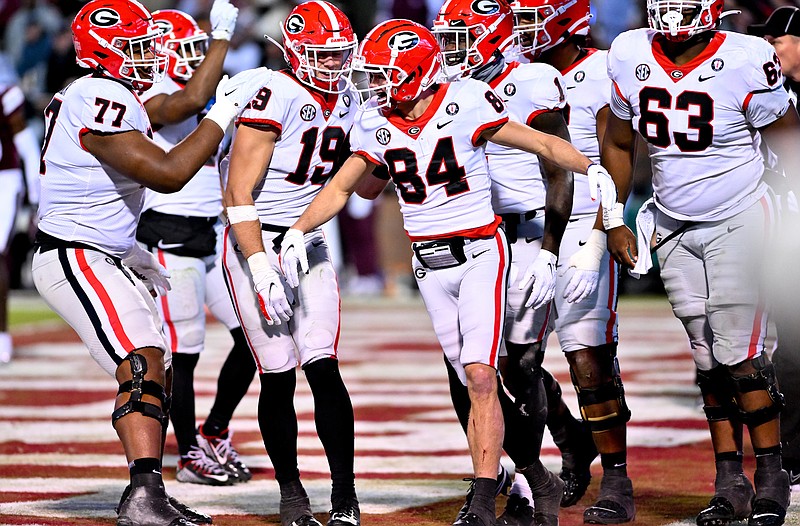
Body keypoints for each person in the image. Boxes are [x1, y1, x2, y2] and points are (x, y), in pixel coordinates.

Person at [277, 18, 617, 526]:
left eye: (381, 73)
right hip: (428, 265)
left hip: (482, 252)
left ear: (413, 73)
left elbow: (542, 144)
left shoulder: (467, 101)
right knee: (468, 378)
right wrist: (299, 229)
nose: (372, 85)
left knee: (483, 374)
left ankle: (482, 500)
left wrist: (593, 170)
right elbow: (346, 186)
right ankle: (536, 479)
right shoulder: (376, 120)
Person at [30, 0, 262, 524]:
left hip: (105, 251)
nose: (149, 55)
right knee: (142, 363)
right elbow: (168, 173)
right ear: (105, 51)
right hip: (73, 254)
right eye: (136, 46)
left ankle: (149, 489)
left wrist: (129, 248)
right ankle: (142, 496)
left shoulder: (112, 93)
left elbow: (173, 117)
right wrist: (223, 113)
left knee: (157, 360)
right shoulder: (97, 95)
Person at [602, 1, 800, 525]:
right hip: (670, 220)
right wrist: (613, 217)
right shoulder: (628, 51)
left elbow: (788, 138)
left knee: (741, 351)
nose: (670, 13)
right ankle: (728, 477)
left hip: (740, 214)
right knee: (706, 354)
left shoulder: (746, 55)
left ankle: (773, 475)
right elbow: (619, 139)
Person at [429, 0, 590, 524]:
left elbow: (557, 167)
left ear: (493, 36)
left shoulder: (534, 79)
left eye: (458, 38)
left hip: (525, 235)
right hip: (472, 241)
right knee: (468, 371)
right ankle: (514, 474)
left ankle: (537, 467)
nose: (448, 50)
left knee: (518, 368)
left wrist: (548, 248)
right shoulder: (446, 88)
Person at [221, 2, 361, 525]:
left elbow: (357, 181)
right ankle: (292, 493)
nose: (335, 64)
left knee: (323, 365)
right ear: (297, 50)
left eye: (341, 53)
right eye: (324, 54)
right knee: (278, 374)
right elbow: (237, 192)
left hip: (310, 240)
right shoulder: (276, 92)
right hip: (252, 239)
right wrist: (259, 265)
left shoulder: (350, 97)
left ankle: (345, 497)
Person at [513, 0, 636, 522]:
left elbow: (618, 156)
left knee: (588, 358)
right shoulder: (511, 73)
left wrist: (603, 226)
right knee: (512, 362)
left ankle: (617, 480)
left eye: (528, 18)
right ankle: (570, 436)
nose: (518, 31)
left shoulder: (601, 70)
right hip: (526, 231)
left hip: (585, 217)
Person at [138, 5, 254, 487]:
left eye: (199, 50)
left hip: (211, 234)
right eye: (187, 50)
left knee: (254, 337)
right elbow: (189, 101)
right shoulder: (149, 94)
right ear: (161, 52)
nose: (196, 59)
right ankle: (186, 455)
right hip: (167, 235)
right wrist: (223, 33)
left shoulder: (199, 90)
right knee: (183, 353)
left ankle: (213, 431)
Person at [748, 5, 800, 491]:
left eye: (777, 39)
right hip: (784, 236)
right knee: (788, 350)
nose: (769, 46)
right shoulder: (768, 92)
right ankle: (795, 455)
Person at [0, 79, 40, 364]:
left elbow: (26, 145)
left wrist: (38, 197)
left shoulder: (6, 93)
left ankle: (2, 336)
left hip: (4, 178)